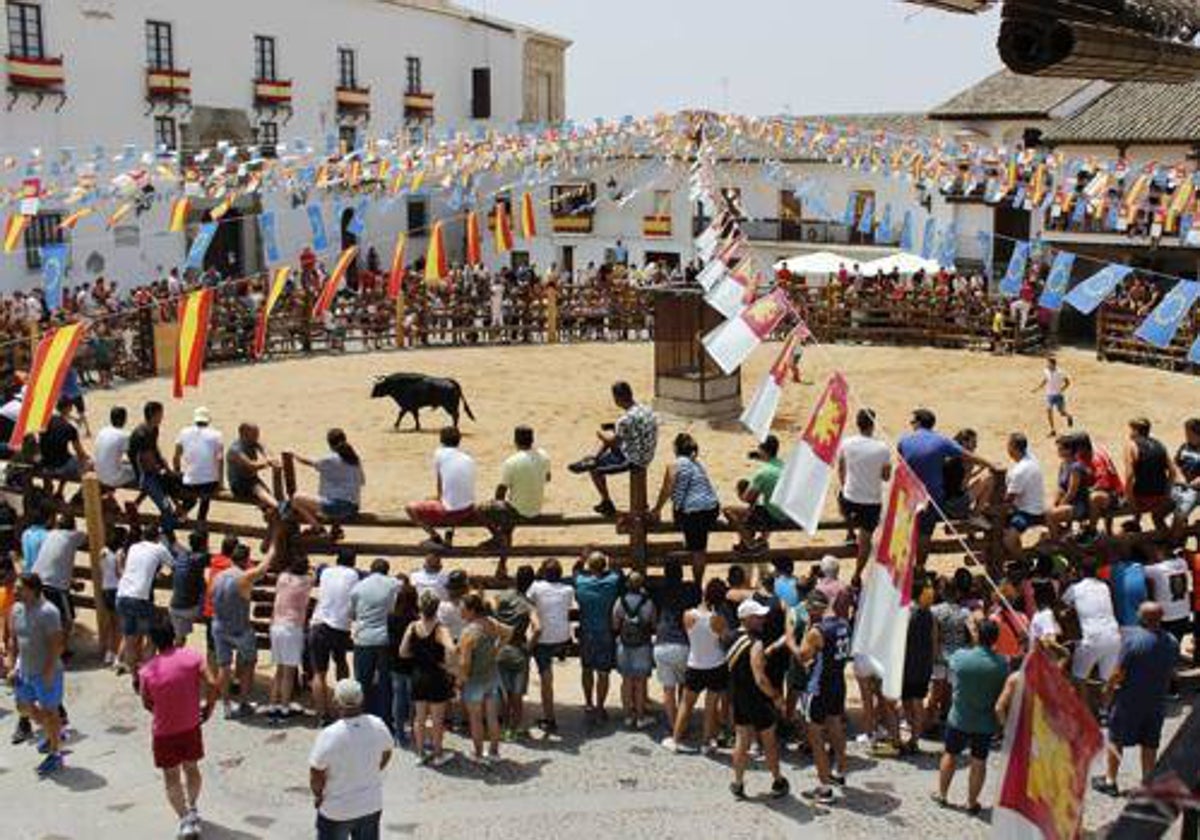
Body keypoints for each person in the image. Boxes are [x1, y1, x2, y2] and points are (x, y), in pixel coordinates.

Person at [139, 620, 218, 839]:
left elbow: (146, 702)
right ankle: (193, 808)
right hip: (191, 725)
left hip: (164, 731)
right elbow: (212, 683)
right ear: (174, 635)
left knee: (171, 777)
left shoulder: (147, 671)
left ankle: (185, 819)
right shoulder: (193, 657)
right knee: (192, 769)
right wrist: (209, 707)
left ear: (153, 642)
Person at [1092, 602, 1180, 796]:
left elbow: (1118, 673)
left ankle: (1110, 780)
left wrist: (1106, 692)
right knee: (1150, 742)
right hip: (1156, 701)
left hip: (1129, 700)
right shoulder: (1172, 641)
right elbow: (1173, 671)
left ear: (1141, 618)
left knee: (1116, 738)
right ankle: (1148, 784)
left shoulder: (1132, 641)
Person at [898, 409, 995, 568]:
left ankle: (905, 567)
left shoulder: (904, 441)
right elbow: (969, 458)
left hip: (910, 497)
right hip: (936, 500)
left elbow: (902, 466)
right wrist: (990, 465)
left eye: (912, 422)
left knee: (909, 533)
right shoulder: (943, 442)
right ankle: (920, 568)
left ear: (918, 423)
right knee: (925, 534)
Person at [933, 618, 1008, 814]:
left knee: (950, 754)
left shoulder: (961, 657)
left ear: (977, 635)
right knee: (979, 761)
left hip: (959, 716)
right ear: (995, 638)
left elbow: (947, 660)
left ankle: (942, 794)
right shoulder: (1002, 664)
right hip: (985, 721)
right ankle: (971, 801)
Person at [308, 678, 393, 840]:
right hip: (370, 805)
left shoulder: (329, 734)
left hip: (336, 810)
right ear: (362, 700)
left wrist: (318, 795)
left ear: (336, 702)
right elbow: (387, 752)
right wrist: (372, 769)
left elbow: (316, 772)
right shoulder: (378, 725)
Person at [727, 598, 789, 801]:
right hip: (757, 699)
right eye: (758, 616)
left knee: (741, 740)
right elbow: (760, 678)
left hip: (738, 696)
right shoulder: (755, 643)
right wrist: (776, 697)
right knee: (769, 741)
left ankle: (737, 782)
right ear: (747, 618)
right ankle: (778, 780)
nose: (762, 619)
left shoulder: (730, 637)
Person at [570, 381, 658, 518]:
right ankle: (593, 458)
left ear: (617, 398)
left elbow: (613, 442)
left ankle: (606, 501)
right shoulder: (647, 410)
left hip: (633, 459)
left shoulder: (625, 420)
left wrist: (599, 434)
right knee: (611, 432)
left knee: (595, 469)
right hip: (647, 453)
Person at [8, 573, 66, 777]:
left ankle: (55, 753)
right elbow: (14, 641)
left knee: (50, 712)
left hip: (46, 672)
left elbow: (57, 645)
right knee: (24, 708)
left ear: (33, 590)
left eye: (18, 588)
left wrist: (49, 672)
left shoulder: (48, 612)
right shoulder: (16, 609)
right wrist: (11, 665)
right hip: (24, 670)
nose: (14, 591)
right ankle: (55, 731)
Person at [665, 578, 729, 754]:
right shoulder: (718, 619)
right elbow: (724, 639)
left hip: (695, 663)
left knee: (686, 704)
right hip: (716, 664)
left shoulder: (688, 615)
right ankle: (707, 742)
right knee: (711, 706)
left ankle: (676, 739)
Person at [799, 590, 850, 804]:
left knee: (816, 736)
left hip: (818, 687)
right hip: (838, 682)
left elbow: (803, 655)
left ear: (814, 608)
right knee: (836, 725)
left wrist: (798, 635)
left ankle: (824, 787)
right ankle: (840, 770)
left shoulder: (816, 631)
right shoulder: (844, 624)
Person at [210, 542, 271, 719]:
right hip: (239, 628)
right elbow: (263, 568)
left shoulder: (218, 576)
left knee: (224, 666)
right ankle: (243, 702)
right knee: (248, 662)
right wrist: (274, 543)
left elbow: (212, 595)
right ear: (246, 560)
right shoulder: (243, 577)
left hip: (220, 626)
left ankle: (227, 705)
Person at [650, 432, 721, 582]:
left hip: (695, 512)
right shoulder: (697, 463)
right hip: (712, 508)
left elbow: (667, 489)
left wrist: (657, 509)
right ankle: (697, 581)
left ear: (676, 448)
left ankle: (697, 583)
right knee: (700, 546)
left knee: (698, 552)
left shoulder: (674, 465)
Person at [479, 425, 551, 566]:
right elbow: (548, 478)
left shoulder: (511, 461)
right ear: (532, 439)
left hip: (518, 510)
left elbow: (501, 490)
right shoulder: (544, 455)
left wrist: (497, 505)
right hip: (536, 507)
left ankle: (498, 538)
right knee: (508, 519)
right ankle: (501, 561)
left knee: (481, 509)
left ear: (515, 441)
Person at [400, 590, 455, 765]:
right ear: (436, 608)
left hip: (418, 675)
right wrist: (447, 664)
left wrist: (414, 655)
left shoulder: (412, 626)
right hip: (436, 676)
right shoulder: (440, 629)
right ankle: (438, 754)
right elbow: (452, 649)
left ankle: (420, 753)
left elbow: (402, 652)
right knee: (437, 719)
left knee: (419, 718)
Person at [457, 592, 513, 762]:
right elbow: (509, 632)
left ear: (472, 610)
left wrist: (461, 680)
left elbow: (465, 663)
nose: (460, 612)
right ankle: (494, 752)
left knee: (475, 719)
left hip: (474, 680)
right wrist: (497, 649)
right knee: (492, 716)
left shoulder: (468, 632)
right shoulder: (492, 623)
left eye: (463, 609)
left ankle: (478, 753)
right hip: (492, 675)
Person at [838, 409, 892, 581]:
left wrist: (845, 485)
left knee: (839, 494)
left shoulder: (847, 443)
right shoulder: (882, 448)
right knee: (866, 540)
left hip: (850, 499)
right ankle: (857, 573)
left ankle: (849, 531)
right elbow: (885, 477)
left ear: (858, 423)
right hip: (871, 502)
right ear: (873, 424)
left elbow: (841, 469)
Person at [1062, 555, 1122, 707]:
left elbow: (1062, 605)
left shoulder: (1074, 589)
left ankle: (1084, 712)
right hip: (1113, 636)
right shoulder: (1104, 586)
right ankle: (1105, 711)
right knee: (1107, 680)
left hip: (1091, 638)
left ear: (1080, 572)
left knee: (1078, 678)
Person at [310, 549, 361, 726]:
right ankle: (343, 709)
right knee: (341, 663)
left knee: (319, 673)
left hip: (319, 624)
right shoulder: (354, 574)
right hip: (340, 626)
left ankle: (322, 715)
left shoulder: (325, 572)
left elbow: (319, 569)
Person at [648, 557, 700, 729]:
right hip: (683, 642)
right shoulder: (689, 589)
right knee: (684, 688)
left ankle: (673, 724)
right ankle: (682, 723)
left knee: (667, 689)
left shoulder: (658, 591)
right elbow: (697, 590)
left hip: (662, 642)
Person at [117, 523, 173, 680]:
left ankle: (135, 677)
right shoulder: (159, 548)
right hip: (140, 597)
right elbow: (174, 565)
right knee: (154, 636)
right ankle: (146, 677)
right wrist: (163, 575)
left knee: (130, 639)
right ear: (157, 538)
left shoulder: (134, 547)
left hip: (122, 595)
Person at [406, 426, 477, 550]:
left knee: (410, 508)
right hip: (468, 507)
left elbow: (440, 485)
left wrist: (436, 497)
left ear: (441, 440)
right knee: (452, 497)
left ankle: (435, 537)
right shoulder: (468, 458)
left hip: (452, 512)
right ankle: (449, 535)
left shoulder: (439, 453)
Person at [350, 559, 401, 724]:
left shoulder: (358, 587)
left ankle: (362, 716)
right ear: (387, 570)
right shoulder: (394, 584)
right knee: (385, 681)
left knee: (363, 680)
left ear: (371, 570)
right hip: (384, 638)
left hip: (363, 638)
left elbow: (352, 614)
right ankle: (385, 718)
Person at [291, 429, 365, 540]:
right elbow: (362, 482)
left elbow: (308, 462)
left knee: (296, 499)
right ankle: (336, 529)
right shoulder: (354, 459)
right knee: (329, 495)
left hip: (337, 507)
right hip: (354, 507)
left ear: (329, 444)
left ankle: (318, 529)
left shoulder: (330, 459)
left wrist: (294, 454)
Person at [573, 551, 621, 721]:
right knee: (603, 673)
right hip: (605, 632)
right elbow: (617, 569)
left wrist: (582, 560)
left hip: (587, 632)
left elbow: (576, 570)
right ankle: (600, 706)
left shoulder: (580, 581)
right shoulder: (612, 581)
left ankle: (588, 703)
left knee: (586, 669)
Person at [527, 558, 573, 733]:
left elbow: (529, 601)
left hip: (544, 638)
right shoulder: (568, 590)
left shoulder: (536, 587)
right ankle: (561, 653)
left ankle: (549, 717)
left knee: (546, 679)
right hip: (562, 637)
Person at [724, 435, 790, 553]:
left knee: (729, 510)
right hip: (787, 512)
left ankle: (750, 543)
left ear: (763, 450)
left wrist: (740, 494)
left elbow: (748, 498)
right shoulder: (784, 466)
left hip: (774, 516)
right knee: (760, 505)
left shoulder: (763, 473)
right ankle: (762, 540)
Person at [494, 565, 538, 738]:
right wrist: (529, 647)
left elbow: (491, 610)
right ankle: (515, 728)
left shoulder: (501, 597)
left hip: (501, 647)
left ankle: (504, 727)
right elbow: (538, 628)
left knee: (504, 692)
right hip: (519, 648)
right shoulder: (528, 604)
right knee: (517, 693)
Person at [268, 554, 313, 724]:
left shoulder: (283, 578)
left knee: (279, 670)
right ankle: (285, 708)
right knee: (289, 672)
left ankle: (273, 706)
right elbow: (313, 575)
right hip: (291, 628)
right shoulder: (306, 582)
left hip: (276, 625)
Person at [31, 514, 85, 645]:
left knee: (41, 618)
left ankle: (44, 648)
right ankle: (60, 651)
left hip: (37, 582)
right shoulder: (74, 536)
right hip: (56, 587)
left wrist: (71, 582)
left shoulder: (50, 534)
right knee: (67, 619)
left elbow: (56, 563)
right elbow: (86, 537)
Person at [129, 401, 182, 532]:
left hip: (152, 470)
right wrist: (162, 471)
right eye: (160, 414)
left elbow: (155, 450)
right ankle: (168, 534)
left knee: (171, 484)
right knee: (166, 507)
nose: (162, 417)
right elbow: (146, 461)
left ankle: (135, 504)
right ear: (154, 414)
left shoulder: (153, 429)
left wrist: (166, 467)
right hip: (144, 475)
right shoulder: (142, 434)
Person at [612, 570, 655, 729]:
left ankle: (628, 717)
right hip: (642, 644)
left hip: (625, 644)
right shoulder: (648, 602)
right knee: (640, 681)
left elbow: (615, 624)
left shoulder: (620, 601)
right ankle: (641, 716)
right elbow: (654, 623)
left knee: (627, 681)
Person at [900, 578, 938, 754]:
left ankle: (914, 737)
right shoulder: (929, 614)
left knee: (910, 702)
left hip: (908, 664)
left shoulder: (907, 613)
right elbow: (934, 640)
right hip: (923, 664)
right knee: (916, 701)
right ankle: (915, 737)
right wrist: (932, 660)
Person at [173, 407, 224, 523]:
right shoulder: (217, 434)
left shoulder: (184, 432)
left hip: (190, 481)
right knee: (205, 498)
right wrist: (220, 483)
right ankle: (200, 521)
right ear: (208, 420)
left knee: (191, 497)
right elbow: (220, 459)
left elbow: (176, 456)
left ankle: (180, 515)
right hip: (209, 483)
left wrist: (178, 472)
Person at [1001, 433, 1047, 560]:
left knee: (1008, 540)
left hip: (1027, 512)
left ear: (1013, 448)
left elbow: (1009, 499)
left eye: (1009, 445)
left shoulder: (1020, 471)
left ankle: (1025, 562)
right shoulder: (1030, 458)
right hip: (1034, 506)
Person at [1124, 417, 1173, 531]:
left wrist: (1129, 499)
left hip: (1142, 498)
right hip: (1160, 495)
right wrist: (1166, 494)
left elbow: (1130, 476)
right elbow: (1173, 472)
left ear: (1136, 431)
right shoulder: (1160, 445)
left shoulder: (1131, 446)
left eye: (1131, 430)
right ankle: (1137, 521)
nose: (1130, 433)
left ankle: (1133, 525)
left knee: (1125, 492)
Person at [39, 397, 91, 494]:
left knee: (66, 456)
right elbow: (80, 452)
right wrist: (87, 459)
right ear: (69, 408)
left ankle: (49, 486)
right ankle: (61, 491)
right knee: (85, 464)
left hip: (46, 464)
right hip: (60, 466)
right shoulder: (69, 428)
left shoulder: (45, 422)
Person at [225, 422, 279, 514]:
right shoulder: (235, 450)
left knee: (266, 497)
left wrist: (269, 457)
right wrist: (268, 462)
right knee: (260, 491)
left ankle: (274, 516)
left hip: (252, 479)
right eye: (254, 434)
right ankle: (280, 508)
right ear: (244, 434)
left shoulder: (252, 442)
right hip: (239, 483)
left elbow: (263, 447)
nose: (257, 436)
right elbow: (251, 466)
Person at [1045, 435, 1092, 540]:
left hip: (1079, 505)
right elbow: (1060, 488)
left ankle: (1057, 543)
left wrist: (1059, 506)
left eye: (1060, 448)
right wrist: (1055, 504)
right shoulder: (1064, 464)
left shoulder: (1076, 467)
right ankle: (1063, 535)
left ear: (1069, 450)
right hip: (1069, 503)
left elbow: (1072, 492)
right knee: (1046, 513)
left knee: (1050, 516)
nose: (1058, 451)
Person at [168, 529, 210, 645]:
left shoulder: (181, 556)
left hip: (174, 606)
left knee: (179, 639)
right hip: (191, 609)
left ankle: (177, 659)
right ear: (204, 544)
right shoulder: (201, 558)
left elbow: (173, 544)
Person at [94, 406, 136, 491]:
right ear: (124, 420)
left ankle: (109, 495)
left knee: (121, 463)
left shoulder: (102, 431)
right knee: (142, 474)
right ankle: (136, 502)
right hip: (113, 478)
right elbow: (133, 457)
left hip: (98, 473)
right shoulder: (124, 435)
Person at [1171, 417, 1200, 538]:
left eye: (1188, 433)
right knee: (1157, 514)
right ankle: (1177, 539)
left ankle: (1173, 544)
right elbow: (1174, 464)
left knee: (1179, 517)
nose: (1186, 435)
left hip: (1195, 490)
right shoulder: (1184, 446)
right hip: (1180, 486)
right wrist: (1178, 475)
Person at [1032, 355, 1073, 437]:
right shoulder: (1046, 371)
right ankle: (1052, 430)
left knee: (1062, 412)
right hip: (1049, 395)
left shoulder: (1060, 372)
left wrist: (1062, 389)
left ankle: (1069, 416)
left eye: (1048, 363)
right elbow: (1045, 380)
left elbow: (1068, 382)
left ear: (1053, 364)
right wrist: (1038, 388)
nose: (1047, 365)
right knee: (1049, 410)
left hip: (1058, 395)